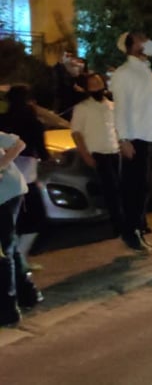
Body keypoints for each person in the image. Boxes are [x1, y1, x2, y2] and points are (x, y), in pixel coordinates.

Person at [111, 32, 152, 253]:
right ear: (132, 46)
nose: (147, 41)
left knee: (143, 186)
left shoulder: (144, 71)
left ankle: (139, 225)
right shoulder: (123, 73)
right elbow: (120, 108)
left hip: (149, 134)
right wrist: (123, 138)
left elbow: (151, 93)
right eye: (141, 39)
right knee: (133, 187)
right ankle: (130, 231)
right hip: (135, 136)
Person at [0, 85, 52, 270]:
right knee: (36, 220)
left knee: (11, 223)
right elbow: (43, 152)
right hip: (25, 178)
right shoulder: (34, 123)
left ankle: (15, 260)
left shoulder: (2, 120)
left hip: (5, 179)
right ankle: (19, 259)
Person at [71, 74, 123, 238]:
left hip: (115, 151)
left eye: (98, 83)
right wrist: (85, 154)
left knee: (120, 188)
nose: (97, 87)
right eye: (92, 84)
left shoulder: (112, 106)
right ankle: (118, 225)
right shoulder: (82, 108)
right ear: (87, 88)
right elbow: (76, 133)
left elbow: (117, 128)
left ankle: (123, 221)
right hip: (98, 153)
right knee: (111, 190)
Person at [1, 131, 42, 328]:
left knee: (3, 251)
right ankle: (28, 294)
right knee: (9, 245)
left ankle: (8, 310)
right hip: (9, 194)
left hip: (6, 194)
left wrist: (0, 165)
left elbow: (18, 144)